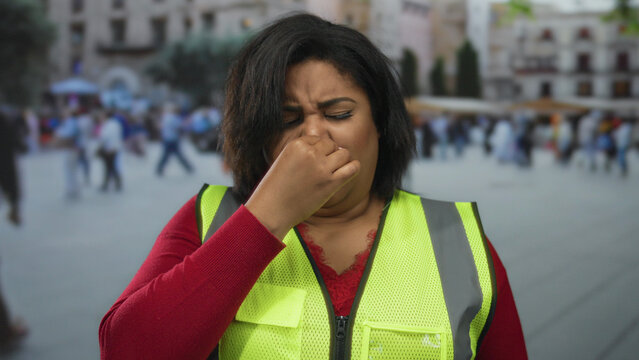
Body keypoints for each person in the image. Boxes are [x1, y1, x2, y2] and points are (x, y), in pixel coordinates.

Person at [99, 14, 527, 360]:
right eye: (288, 119)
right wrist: (267, 215)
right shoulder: (206, 218)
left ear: (380, 123)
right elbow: (126, 349)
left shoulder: (459, 238)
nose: (313, 136)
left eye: (338, 113)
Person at [155, 103, 194, 176]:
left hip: (167, 138)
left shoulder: (166, 117)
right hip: (172, 139)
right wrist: (187, 122)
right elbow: (179, 126)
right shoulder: (172, 117)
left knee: (168, 155)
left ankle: (159, 169)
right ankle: (189, 168)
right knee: (175, 155)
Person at [96, 111, 124, 192]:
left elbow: (104, 138)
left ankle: (107, 184)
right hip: (115, 148)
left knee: (109, 168)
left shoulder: (107, 125)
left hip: (109, 149)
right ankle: (116, 183)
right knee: (112, 167)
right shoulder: (116, 124)